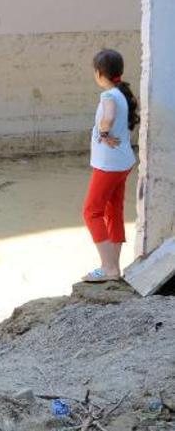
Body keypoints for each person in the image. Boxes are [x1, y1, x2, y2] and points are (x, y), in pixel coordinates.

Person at [81, 49, 139, 282]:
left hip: (109, 164)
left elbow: (109, 116)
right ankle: (114, 265)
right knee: (113, 210)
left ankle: (108, 268)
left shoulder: (109, 97)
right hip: (123, 162)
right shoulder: (123, 93)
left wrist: (104, 132)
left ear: (99, 73)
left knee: (91, 212)